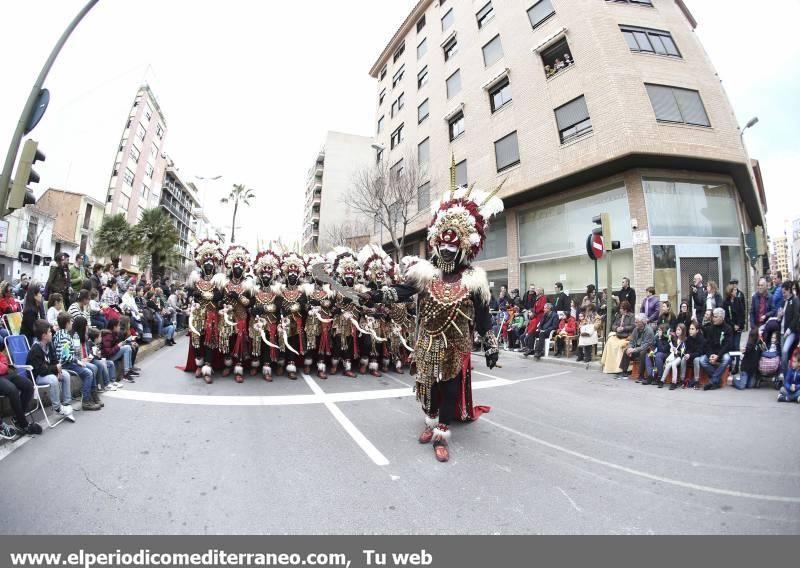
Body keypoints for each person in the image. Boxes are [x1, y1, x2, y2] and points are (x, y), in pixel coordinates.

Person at [366, 172, 501, 463]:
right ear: (435, 243)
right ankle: (429, 420)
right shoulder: (426, 274)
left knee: (450, 386)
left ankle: (442, 432)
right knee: (426, 386)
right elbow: (401, 291)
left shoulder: (473, 279)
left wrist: (490, 343)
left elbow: (482, 315)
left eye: (453, 246)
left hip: (455, 343)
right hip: (427, 341)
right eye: (443, 244)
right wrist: (375, 295)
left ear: (464, 246)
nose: (447, 249)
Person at [26, 319, 75, 422]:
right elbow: (41, 371)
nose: (51, 333)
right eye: (49, 331)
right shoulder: (35, 350)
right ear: (44, 335)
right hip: (37, 376)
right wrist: (55, 370)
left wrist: (58, 371)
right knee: (53, 379)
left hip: (47, 372)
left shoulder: (49, 344)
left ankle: (66, 404)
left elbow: (54, 360)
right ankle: (57, 408)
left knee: (65, 374)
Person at [53, 312, 100, 411]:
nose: (72, 323)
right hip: (66, 364)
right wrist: (77, 361)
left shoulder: (60, 333)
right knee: (88, 373)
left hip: (67, 362)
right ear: (66, 323)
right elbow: (66, 356)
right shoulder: (65, 337)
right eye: (71, 321)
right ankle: (86, 400)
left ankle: (93, 395)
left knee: (92, 368)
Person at [0, 349, 43, 436]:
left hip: (5, 374)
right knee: (12, 390)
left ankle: (17, 418)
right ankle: (23, 424)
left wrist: (4, 366)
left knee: (28, 385)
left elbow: (4, 364)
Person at [699, 307, 733, 390]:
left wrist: (718, 356)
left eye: (715, 316)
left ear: (721, 318)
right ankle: (717, 380)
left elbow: (727, 345)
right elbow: (708, 344)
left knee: (727, 358)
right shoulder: (711, 328)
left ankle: (713, 380)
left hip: (722, 353)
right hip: (712, 354)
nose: (713, 318)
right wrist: (711, 355)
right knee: (702, 360)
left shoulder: (728, 328)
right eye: (713, 316)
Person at [617, 314, 655, 381]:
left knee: (643, 353)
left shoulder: (649, 331)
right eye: (635, 322)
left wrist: (633, 350)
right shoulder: (635, 329)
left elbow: (645, 346)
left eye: (637, 322)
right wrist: (630, 348)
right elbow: (631, 341)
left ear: (642, 322)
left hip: (647, 350)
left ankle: (641, 375)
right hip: (636, 349)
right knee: (626, 350)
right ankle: (624, 372)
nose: (635, 323)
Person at [600, 301, 635, 374]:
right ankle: (609, 366)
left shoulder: (631, 316)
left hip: (626, 336)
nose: (620, 310)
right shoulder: (618, 316)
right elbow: (613, 325)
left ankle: (619, 368)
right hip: (618, 335)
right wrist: (617, 328)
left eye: (621, 308)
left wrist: (623, 328)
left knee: (620, 346)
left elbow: (632, 326)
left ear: (625, 309)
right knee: (609, 342)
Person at [779, 281, 799, 378]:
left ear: (789, 290)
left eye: (784, 292)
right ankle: (785, 375)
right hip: (782, 331)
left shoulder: (795, 300)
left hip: (790, 332)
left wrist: (789, 330)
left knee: (785, 351)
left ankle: (786, 376)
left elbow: (796, 317)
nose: (783, 294)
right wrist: (779, 316)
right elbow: (780, 316)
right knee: (784, 355)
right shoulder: (783, 302)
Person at [660, 323, 687, 390]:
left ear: (683, 331)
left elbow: (683, 353)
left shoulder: (684, 340)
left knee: (674, 364)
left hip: (679, 357)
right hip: (673, 356)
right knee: (668, 364)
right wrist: (668, 335)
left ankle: (674, 382)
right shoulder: (675, 339)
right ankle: (662, 380)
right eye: (677, 329)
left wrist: (677, 351)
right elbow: (668, 339)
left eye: (679, 330)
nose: (677, 331)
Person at [684, 321, 706, 389]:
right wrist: (687, 354)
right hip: (691, 356)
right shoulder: (689, 338)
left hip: (700, 356)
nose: (690, 330)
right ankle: (683, 380)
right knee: (683, 359)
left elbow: (699, 352)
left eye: (692, 329)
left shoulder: (701, 339)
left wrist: (690, 355)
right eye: (690, 328)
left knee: (696, 360)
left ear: (697, 330)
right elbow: (687, 349)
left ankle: (696, 382)